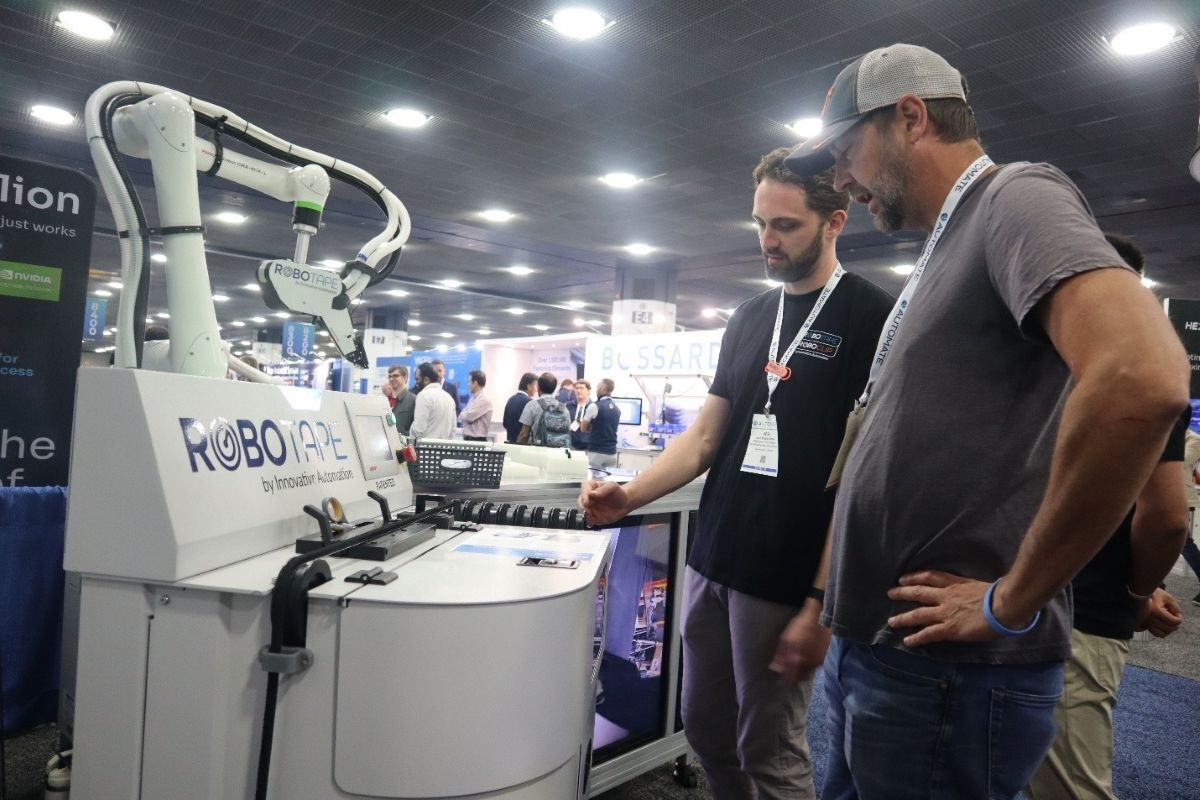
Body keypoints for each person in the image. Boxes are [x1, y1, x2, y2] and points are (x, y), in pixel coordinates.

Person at [783, 43, 1190, 799]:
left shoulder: (1013, 194)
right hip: (886, 649)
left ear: (910, 117)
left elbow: (1141, 377)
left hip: (947, 673)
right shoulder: (951, 241)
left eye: (844, 152)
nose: (840, 179)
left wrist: (1012, 601)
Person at [579, 148, 892, 799]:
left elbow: (865, 479)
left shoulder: (872, 318)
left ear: (835, 222)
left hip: (785, 577)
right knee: (706, 729)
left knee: (769, 749)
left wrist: (819, 603)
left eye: (786, 226)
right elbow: (705, 437)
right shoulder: (751, 317)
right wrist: (628, 495)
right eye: (760, 223)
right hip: (713, 559)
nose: (768, 240)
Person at [1025, 235, 1190, 800]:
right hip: (1080, 614)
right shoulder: (1135, 369)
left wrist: (1141, 587)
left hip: (1004, 601)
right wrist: (1138, 591)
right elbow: (1167, 518)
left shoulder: (1031, 366)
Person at [517, 372, 571, 447]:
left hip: (538, 451)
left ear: (538, 387)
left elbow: (524, 435)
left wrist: (517, 449)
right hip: (559, 451)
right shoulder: (564, 409)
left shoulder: (532, 405)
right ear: (555, 388)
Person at [409, 361, 456, 440]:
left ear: (426, 379)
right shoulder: (449, 398)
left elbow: (418, 429)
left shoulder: (423, 395)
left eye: (417, 379)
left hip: (424, 446)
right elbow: (453, 430)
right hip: (444, 446)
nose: (416, 383)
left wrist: (410, 442)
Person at [585, 379, 622, 471]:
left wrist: (592, 428)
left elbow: (583, 427)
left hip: (596, 452)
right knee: (607, 478)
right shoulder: (617, 409)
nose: (596, 390)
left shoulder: (594, 406)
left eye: (597, 387)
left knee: (593, 477)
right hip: (612, 453)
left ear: (602, 388)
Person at [1182, 427, 1200, 605]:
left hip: (1180, 497)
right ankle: (1157, 585)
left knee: (1184, 543)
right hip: (1154, 495)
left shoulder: (1195, 439)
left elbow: (1181, 461)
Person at [458, 369, 493, 441]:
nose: (468, 385)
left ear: (475, 383)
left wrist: (465, 415)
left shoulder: (484, 399)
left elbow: (468, 417)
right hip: (468, 438)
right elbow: (461, 416)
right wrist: (464, 415)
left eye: (469, 382)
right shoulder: (472, 398)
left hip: (477, 440)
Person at [503, 372, 538, 443]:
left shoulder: (511, 399)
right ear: (529, 386)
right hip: (523, 445)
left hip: (509, 443)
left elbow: (505, 423)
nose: (536, 390)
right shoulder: (530, 403)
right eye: (535, 386)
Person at [565, 379, 595, 451]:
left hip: (588, 447)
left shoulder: (594, 407)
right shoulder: (568, 406)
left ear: (588, 391)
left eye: (581, 388)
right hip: (571, 446)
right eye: (577, 388)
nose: (578, 390)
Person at [387, 364, 416, 436]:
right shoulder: (386, 400)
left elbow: (416, 429)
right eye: (390, 376)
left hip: (403, 441)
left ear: (405, 377)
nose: (391, 379)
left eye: (395, 376)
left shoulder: (413, 400)